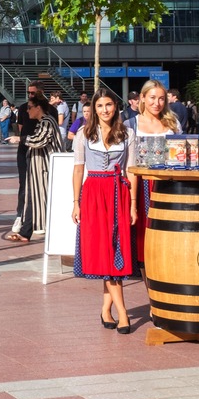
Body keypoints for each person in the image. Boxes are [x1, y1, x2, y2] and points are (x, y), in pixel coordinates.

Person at [72, 89, 138, 334]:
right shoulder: (83, 134)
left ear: (115, 106)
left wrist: (132, 204)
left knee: (114, 251)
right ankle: (123, 313)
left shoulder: (128, 134)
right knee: (103, 252)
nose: (104, 110)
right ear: (94, 109)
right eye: (100, 106)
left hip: (118, 192)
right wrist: (76, 202)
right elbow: (78, 169)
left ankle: (106, 309)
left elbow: (131, 171)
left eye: (108, 105)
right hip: (93, 194)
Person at [126, 79, 182, 269]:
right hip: (140, 186)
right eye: (152, 98)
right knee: (143, 232)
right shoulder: (130, 125)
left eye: (161, 99)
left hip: (168, 184)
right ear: (142, 98)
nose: (156, 103)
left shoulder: (172, 123)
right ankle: (146, 274)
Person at [3, 95, 61, 243]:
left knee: (44, 199)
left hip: (45, 169)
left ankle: (52, 233)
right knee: (32, 198)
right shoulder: (43, 122)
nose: (27, 111)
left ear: (38, 108)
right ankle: (25, 232)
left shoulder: (47, 122)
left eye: (30, 108)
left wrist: (20, 139)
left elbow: (40, 140)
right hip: (38, 169)